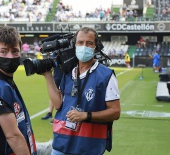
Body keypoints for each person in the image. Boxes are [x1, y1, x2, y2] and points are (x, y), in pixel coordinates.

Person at [42, 27, 121, 155]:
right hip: (61, 144)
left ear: (95, 47)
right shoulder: (67, 72)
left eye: (89, 43)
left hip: (88, 148)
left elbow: (115, 112)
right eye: (80, 42)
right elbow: (58, 105)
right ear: (75, 46)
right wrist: (48, 76)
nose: (84, 46)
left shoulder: (106, 75)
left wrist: (86, 115)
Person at [0, 26, 37, 155]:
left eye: (15, 51)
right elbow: (13, 137)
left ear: (21, 49)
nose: (10, 57)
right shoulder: (1, 86)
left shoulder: (7, 82)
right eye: (3, 52)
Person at [41, 51, 63, 123]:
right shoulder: (55, 51)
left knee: (62, 95)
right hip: (57, 75)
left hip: (63, 75)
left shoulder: (65, 51)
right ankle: (50, 113)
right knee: (54, 93)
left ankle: (60, 116)